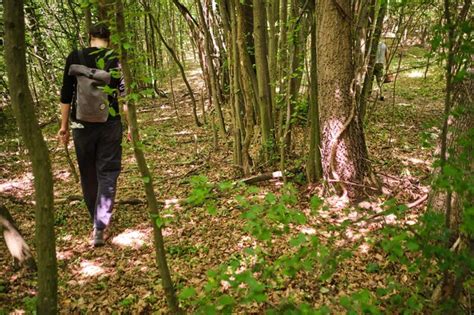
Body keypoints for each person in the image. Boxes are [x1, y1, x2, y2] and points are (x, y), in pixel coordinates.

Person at [58, 24, 127, 247]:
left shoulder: (75, 57)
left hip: (80, 125)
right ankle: (100, 226)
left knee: (88, 173)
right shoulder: (115, 59)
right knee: (108, 172)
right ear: (109, 39)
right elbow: (125, 94)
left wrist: (64, 127)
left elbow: (66, 95)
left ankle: (96, 220)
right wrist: (132, 127)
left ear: (89, 37)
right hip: (111, 122)